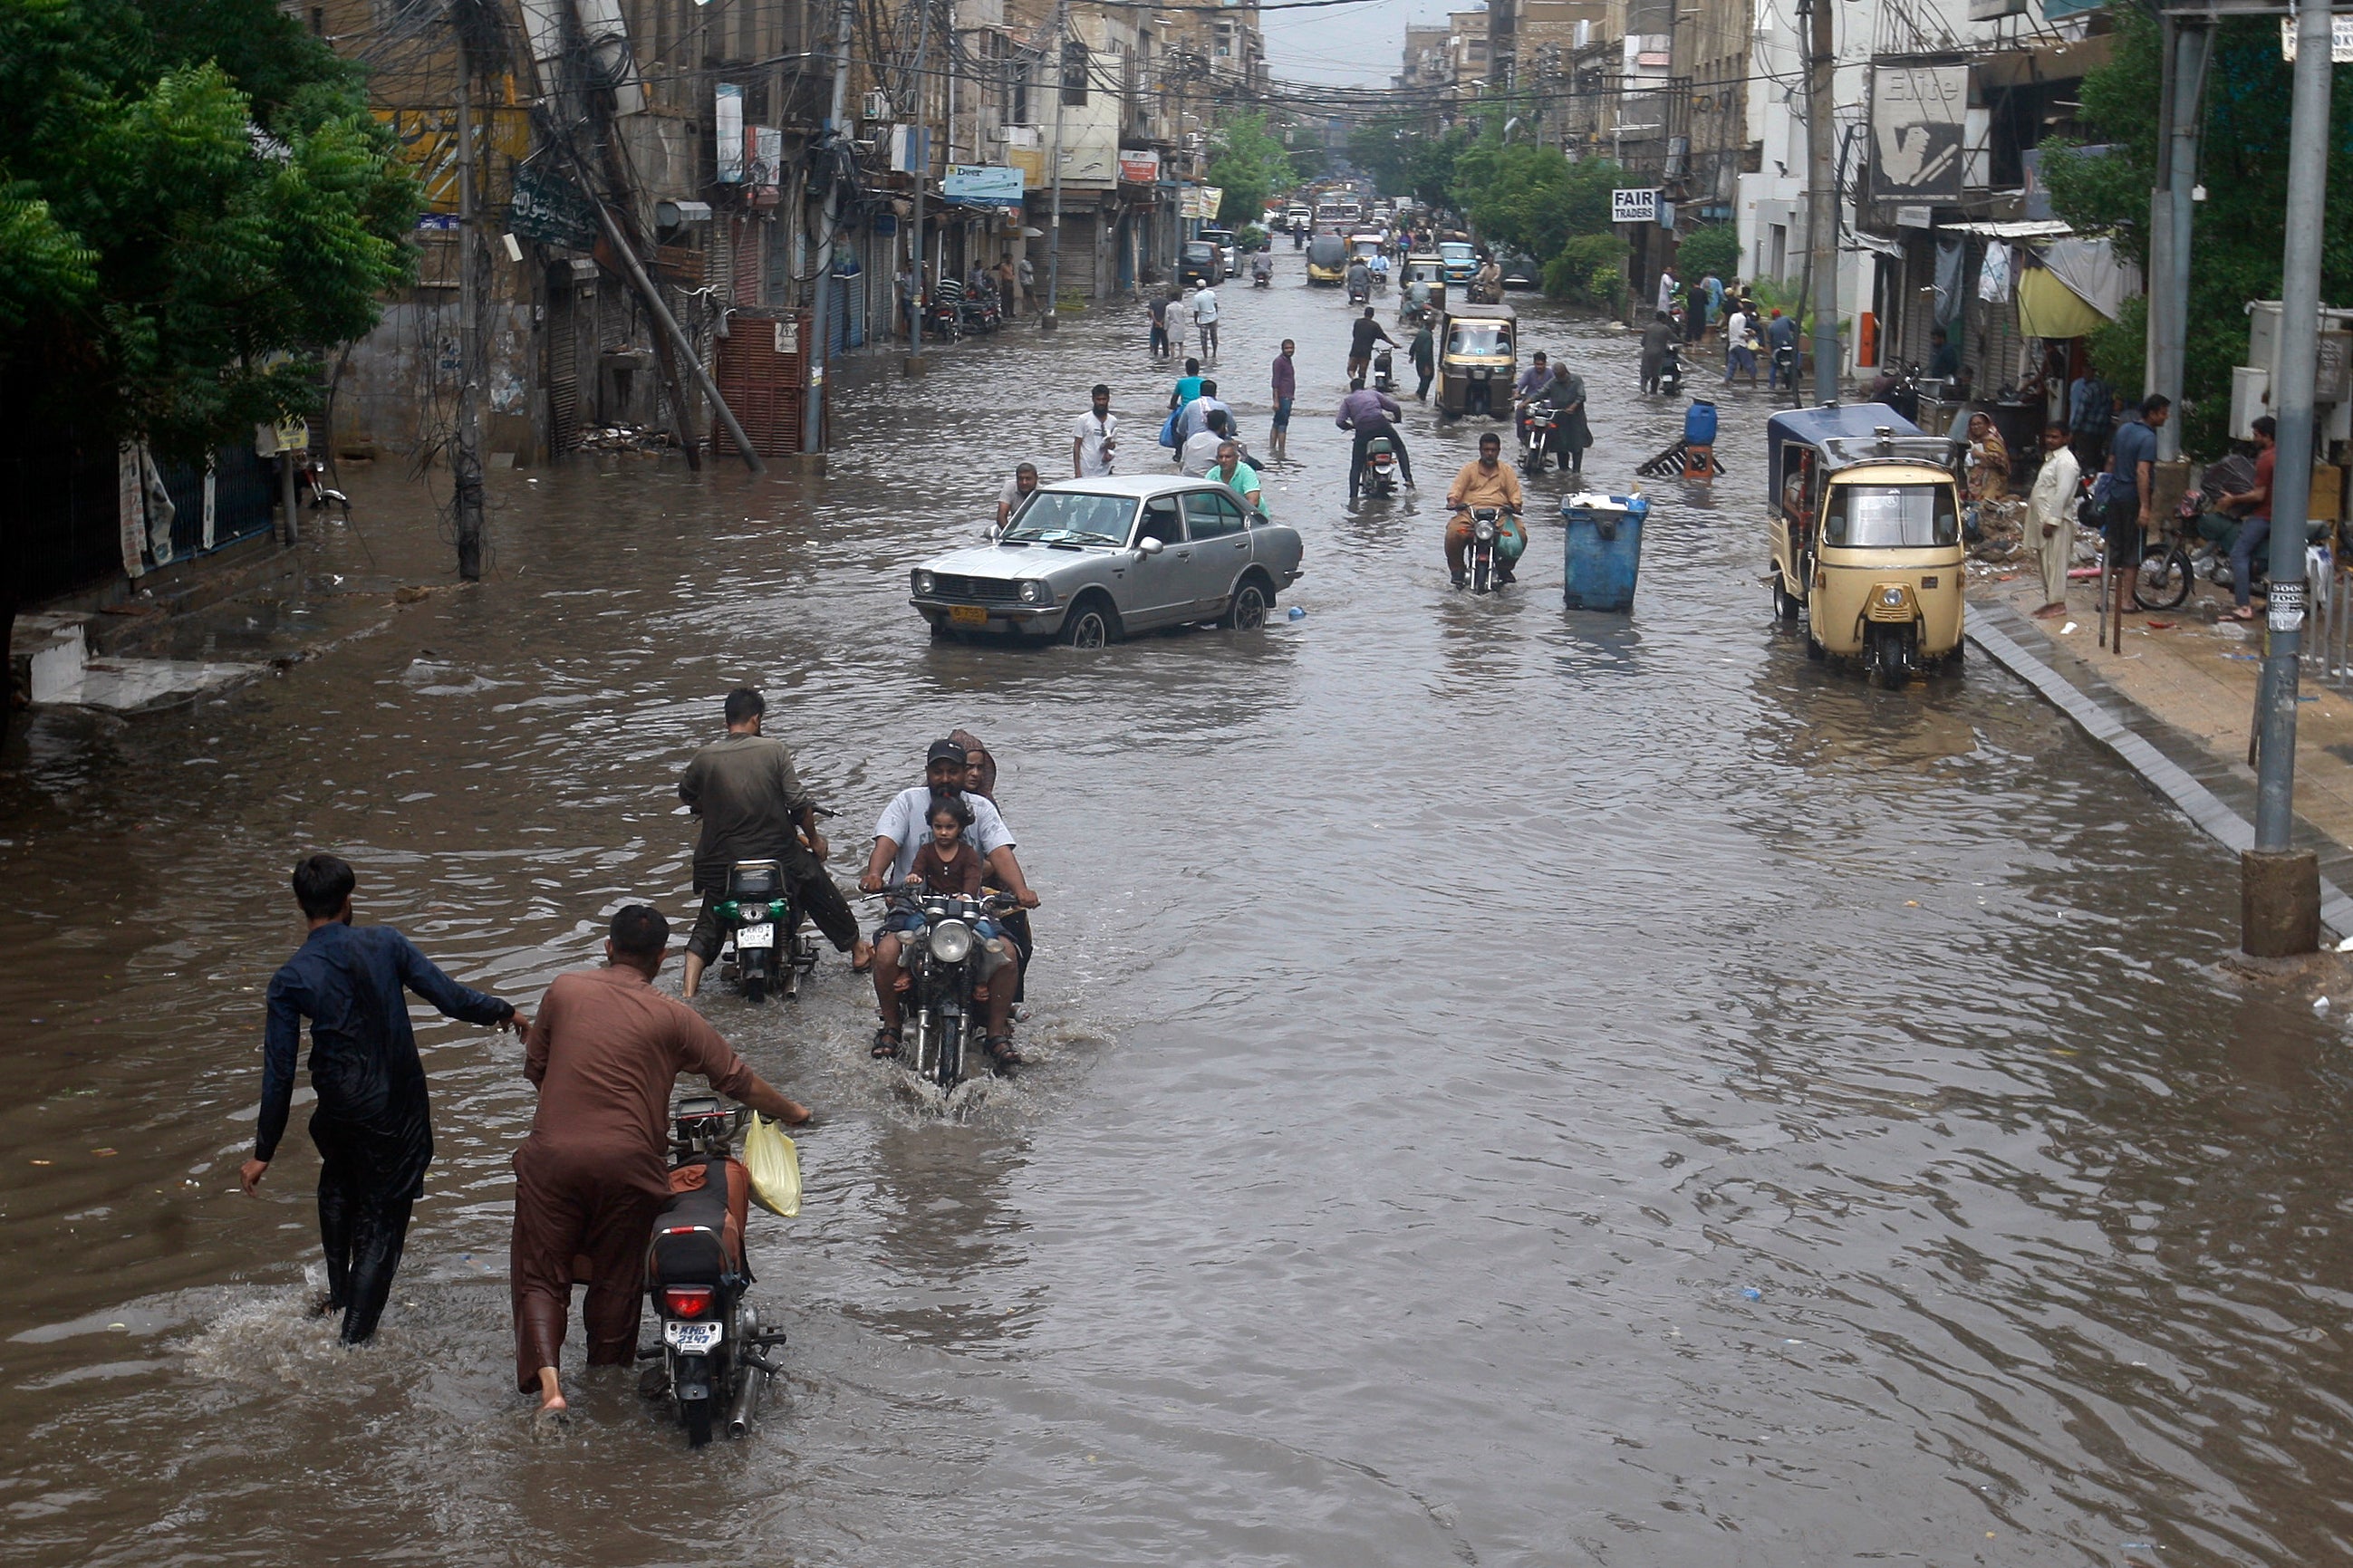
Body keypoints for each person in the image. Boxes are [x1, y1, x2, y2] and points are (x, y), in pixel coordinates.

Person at [509, 905, 810, 1419]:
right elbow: (736, 1079)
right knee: (616, 1279)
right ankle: (605, 1390)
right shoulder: (674, 1016)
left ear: (608, 948)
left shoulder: (562, 990)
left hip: (552, 1159)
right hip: (630, 1165)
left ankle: (551, 1390)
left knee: (541, 1275)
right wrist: (794, 1111)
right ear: (662, 957)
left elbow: (536, 1068)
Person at [244, 853, 526, 1347]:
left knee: (337, 1186)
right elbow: (451, 998)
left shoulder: (290, 977)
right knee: (381, 1224)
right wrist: (505, 1012)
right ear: (348, 899)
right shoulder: (386, 943)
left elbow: (279, 1072)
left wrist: (262, 1151)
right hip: (396, 1115)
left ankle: (339, 1300)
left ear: (301, 906)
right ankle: (353, 1343)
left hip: (339, 1113)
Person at [858, 740, 1040, 1066]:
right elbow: (887, 842)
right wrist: (874, 873)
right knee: (886, 953)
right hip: (915, 906)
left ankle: (997, 1031)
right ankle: (891, 1025)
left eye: (952, 771)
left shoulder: (980, 808)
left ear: (963, 774)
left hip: (969, 909)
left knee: (1008, 954)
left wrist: (1022, 890)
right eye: (937, 771)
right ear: (927, 772)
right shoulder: (907, 802)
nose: (944, 778)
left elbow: (1001, 852)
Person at [678, 688, 863, 997]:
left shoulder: (704, 756)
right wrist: (816, 840)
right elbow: (798, 803)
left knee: (711, 915)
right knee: (817, 883)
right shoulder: (774, 750)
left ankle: (687, 993)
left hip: (721, 861)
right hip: (778, 855)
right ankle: (857, 949)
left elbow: (686, 794)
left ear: (727, 722)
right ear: (756, 718)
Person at [870, 796, 1019, 1061]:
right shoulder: (926, 850)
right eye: (938, 827)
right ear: (932, 826)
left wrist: (967, 894)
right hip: (931, 908)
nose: (943, 832)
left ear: (960, 828)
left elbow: (974, 879)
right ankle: (902, 982)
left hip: (965, 910)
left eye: (949, 827)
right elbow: (917, 871)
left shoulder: (969, 854)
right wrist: (912, 879)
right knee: (909, 931)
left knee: (993, 943)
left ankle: (987, 999)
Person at [2103, 393, 2169, 620]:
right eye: (2163, 412)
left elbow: (2111, 462)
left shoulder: (2123, 430)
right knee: (2132, 551)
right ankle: (2127, 601)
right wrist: (2145, 507)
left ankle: (2102, 598)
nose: (2166, 417)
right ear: (2152, 413)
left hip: (2115, 494)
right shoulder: (2148, 439)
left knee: (2114, 546)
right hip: (2132, 498)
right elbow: (2143, 472)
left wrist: (2104, 490)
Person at [1444, 431, 1527, 585]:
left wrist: (1515, 506)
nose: (1489, 453)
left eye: (1493, 450)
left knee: (1520, 533)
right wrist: (1453, 502)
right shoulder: (1468, 469)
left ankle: (1505, 568)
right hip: (1470, 514)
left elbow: (1515, 495)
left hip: (1500, 515)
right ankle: (1457, 570)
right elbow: (1456, 490)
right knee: (1453, 533)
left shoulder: (1507, 471)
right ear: (1480, 450)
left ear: (1499, 451)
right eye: (1486, 450)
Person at [2221, 414, 2278, 621]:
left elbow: (2259, 494)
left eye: (2256, 435)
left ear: (2267, 436)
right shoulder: (2282, 454)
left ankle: (2243, 606)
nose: (2254, 438)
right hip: (2278, 515)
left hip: (2264, 515)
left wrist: (2233, 500)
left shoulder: (2266, 459)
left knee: (2238, 554)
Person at [2025, 421, 2080, 619]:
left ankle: (2058, 604)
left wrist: (2052, 521)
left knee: (2056, 563)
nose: (2049, 440)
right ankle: (2050, 601)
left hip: (2055, 521)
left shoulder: (2066, 462)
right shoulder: (2053, 459)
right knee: (2046, 562)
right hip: (2043, 519)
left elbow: (2063, 494)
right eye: (2047, 436)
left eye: (2055, 437)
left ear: (2066, 438)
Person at [1337, 382, 1412, 499]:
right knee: (1400, 448)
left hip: (1362, 430)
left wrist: (1350, 426)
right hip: (1381, 424)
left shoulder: (1348, 400)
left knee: (1356, 464)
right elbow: (1395, 407)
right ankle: (1408, 480)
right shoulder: (1373, 394)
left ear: (1352, 390)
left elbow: (1340, 421)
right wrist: (1397, 419)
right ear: (1364, 387)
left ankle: (1353, 497)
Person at [1536, 361, 1592, 476]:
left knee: (1577, 444)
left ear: (1566, 373)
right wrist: (1526, 402)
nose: (1560, 379)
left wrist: (1573, 406)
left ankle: (1576, 472)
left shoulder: (1576, 380)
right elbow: (1541, 393)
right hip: (1560, 417)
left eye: (1562, 375)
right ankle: (1563, 471)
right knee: (1560, 445)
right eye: (1557, 376)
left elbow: (1581, 396)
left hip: (1575, 418)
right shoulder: (1552, 383)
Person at [1962, 411, 2011, 541]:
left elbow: (2000, 460)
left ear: (1987, 425)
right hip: (1977, 481)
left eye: (1979, 424)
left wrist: (1980, 455)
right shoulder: (1975, 441)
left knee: (1987, 508)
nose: (1976, 427)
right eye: (1973, 424)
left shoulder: (1991, 440)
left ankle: (1986, 537)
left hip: (1990, 481)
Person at [2069, 365, 2113, 475]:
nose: (2084, 375)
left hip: (2086, 432)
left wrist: (2072, 431)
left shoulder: (2089, 389)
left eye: (2085, 372)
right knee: (2097, 460)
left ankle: (2086, 485)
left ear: (2092, 372)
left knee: (2085, 462)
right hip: (2101, 432)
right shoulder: (2107, 388)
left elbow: (2081, 412)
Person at [1074, 383, 1117, 477]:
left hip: (1104, 470)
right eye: (1098, 399)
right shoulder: (1083, 419)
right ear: (1093, 399)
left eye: (1104, 399)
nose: (1101, 403)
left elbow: (1112, 445)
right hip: (1086, 470)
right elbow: (1077, 445)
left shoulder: (1113, 421)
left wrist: (1110, 450)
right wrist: (1077, 471)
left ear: (1108, 399)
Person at [1213, 439, 1267, 516]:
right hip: (1225, 517)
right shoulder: (1212, 474)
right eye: (1221, 457)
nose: (1224, 460)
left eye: (1228, 457)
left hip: (1254, 518)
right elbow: (1201, 502)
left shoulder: (1246, 472)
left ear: (1237, 458)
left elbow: (1254, 501)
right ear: (1217, 459)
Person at [1181, 408, 1239, 476]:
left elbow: (1183, 461)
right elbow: (1236, 463)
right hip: (1206, 481)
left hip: (1186, 478)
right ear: (1223, 426)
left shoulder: (1193, 438)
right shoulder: (1220, 444)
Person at [1173, 380, 1230, 448]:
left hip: (1192, 445)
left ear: (1200, 392)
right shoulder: (1222, 406)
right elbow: (1232, 427)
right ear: (1215, 393)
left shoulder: (1191, 405)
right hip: (1218, 446)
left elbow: (1181, 428)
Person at [1347, 308, 1397, 385]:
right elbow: (1383, 337)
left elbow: (1354, 334)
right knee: (1363, 371)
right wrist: (1394, 344)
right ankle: (1361, 384)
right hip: (1366, 351)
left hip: (1355, 349)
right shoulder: (1375, 325)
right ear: (1373, 315)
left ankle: (1354, 379)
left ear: (1364, 313)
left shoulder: (1357, 322)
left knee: (1351, 369)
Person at [1269, 339, 1297, 461]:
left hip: (1287, 396)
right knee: (1283, 424)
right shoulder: (1279, 362)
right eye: (1287, 348)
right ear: (1282, 349)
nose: (1289, 350)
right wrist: (1275, 400)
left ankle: (1272, 449)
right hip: (1283, 397)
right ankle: (1281, 451)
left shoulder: (1287, 361)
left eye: (1291, 348)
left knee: (1276, 423)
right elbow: (1275, 382)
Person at [996, 462, 1040, 532]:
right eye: (1020, 479)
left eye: (1028, 479)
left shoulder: (1042, 492)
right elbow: (1001, 516)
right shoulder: (1009, 487)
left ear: (1036, 479)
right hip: (1016, 531)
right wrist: (1009, 534)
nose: (1024, 482)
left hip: (1037, 530)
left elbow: (1055, 520)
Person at [1640, 312, 1677, 394]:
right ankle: (1653, 393)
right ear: (1663, 319)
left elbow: (1642, 343)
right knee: (1656, 374)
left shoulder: (1648, 327)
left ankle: (1643, 391)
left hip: (1647, 353)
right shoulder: (1665, 329)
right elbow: (1675, 339)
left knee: (1645, 374)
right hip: (1659, 354)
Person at [1721, 304, 1757, 385]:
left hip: (1732, 345)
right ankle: (1754, 385)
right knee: (1750, 365)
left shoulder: (1734, 316)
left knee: (1731, 365)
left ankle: (1726, 382)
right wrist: (1750, 334)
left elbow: (1735, 329)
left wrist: (1746, 330)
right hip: (1740, 345)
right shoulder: (1743, 318)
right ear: (1747, 310)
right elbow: (1740, 333)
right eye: (1750, 312)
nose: (1750, 314)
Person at [1765, 309, 1799, 389]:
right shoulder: (1786, 319)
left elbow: (1770, 341)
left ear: (1773, 316)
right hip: (1790, 346)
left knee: (1773, 366)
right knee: (1797, 356)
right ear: (1780, 314)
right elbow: (1795, 329)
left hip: (1778, 348)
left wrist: (1771, 352)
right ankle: (1798, 368)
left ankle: (1772, 385)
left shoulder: (1770, 327)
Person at [1409, 316, 1436, 402]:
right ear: (1432, 325)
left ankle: (1419, 396)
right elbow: (1426, 351)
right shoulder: (1428, 336)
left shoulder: (1421, 333)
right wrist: (1427, 366)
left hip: (1419, 361)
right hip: (1425, 362)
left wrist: (1412, 356)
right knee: (1428, 378)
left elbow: (1413, 345)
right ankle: (1421, 397)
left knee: (1423, 379)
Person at [1191, 282, 1220, 358]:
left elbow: (1196, 311)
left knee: (1204, 340)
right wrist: (1216, 314)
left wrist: (1195, 321)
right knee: (1214, 337)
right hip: (1213, 318)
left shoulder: (1197, 297)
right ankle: (1214, 353)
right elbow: (1215, 305)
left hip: (1203, 320)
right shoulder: (1211, 293)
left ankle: (1205, 356)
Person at [1147, 291, 1172, 360]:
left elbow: (1150, 313)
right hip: (1164, 325)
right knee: (1165, 341)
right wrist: (1161, 322)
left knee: (1155, 341)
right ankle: (1166, 356)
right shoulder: (1166, 301)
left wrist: (1156, 322)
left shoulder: (1152, 301)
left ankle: (1155, 356)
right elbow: (1167, 314)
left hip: (1155, 325)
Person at [998, 255, 1019, 319]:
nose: (1010, 260)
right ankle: (1005, 313)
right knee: (1005, 298)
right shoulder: (1003, 266)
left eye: (1011, 259)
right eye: (1009, 259)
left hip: (1010, 282)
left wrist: (1013, 277)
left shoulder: (1011, 265)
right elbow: (1000, 275)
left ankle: (1011, 312)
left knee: (1011, 298)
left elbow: (1013, 273)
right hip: (1005, 282)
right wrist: (1000, 285)